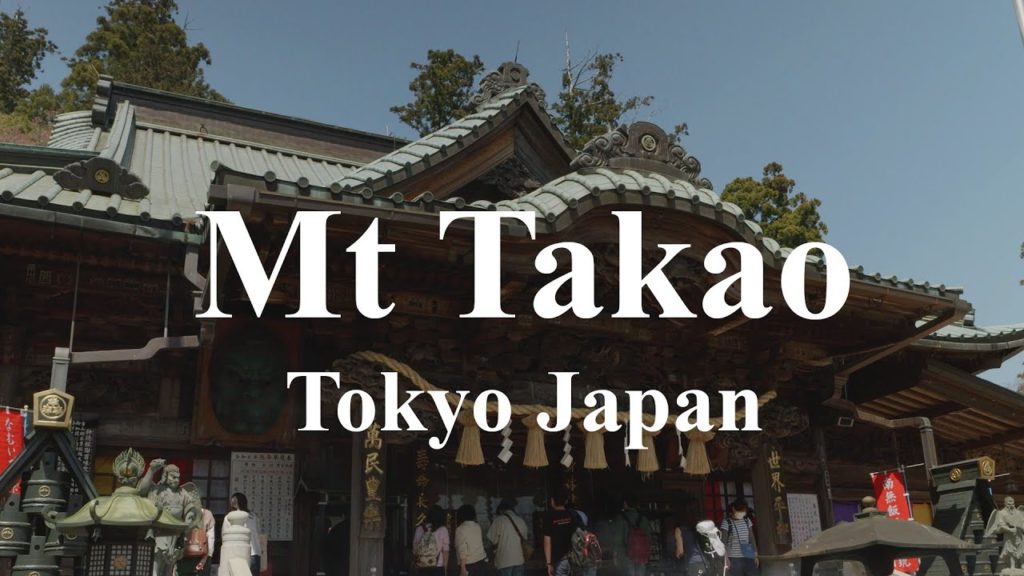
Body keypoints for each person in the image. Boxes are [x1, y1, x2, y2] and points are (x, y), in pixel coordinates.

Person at [139, 459, 200, 576]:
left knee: (170, 565)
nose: (176, 480)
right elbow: (142, 490)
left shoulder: (182, 492)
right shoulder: (158, 490)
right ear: (165, 476)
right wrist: (151, 470)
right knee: (157, 562)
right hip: (159, 531)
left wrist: (188, 517)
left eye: (178, 477)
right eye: (173, 477)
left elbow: (190, 507)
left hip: (175, 532)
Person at [488, 497, 528, 576]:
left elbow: (492, 540)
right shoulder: (520, 520)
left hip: (504, 561)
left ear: (502, 508)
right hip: (519, 560)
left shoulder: (498, 521)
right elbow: (525, 539)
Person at [544, 487, 579, 576]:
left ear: (552, 501)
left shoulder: (549, 516)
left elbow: (547, 541)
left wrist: (548, 563)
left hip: (559, 559)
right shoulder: (571, 515)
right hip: (573, 558)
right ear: (566, 501)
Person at [719, 500, 758, 576]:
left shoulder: (747, 520)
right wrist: (725, 558)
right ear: (734, 509)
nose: (742, 513)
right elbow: (723, 542)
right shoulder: (727, 522)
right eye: (741, 511)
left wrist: (755, 554)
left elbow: (751, 538)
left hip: (748, 555)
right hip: (734, 558)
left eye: (744, 511)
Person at [230, 492, 262, 576]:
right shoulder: (254, 516)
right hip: (255, 551)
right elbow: (258, 531)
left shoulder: (232, 516)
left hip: (240, 552)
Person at [413, 505, 450, 576]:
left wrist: (417, 562)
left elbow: (415, 549)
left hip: (422, 566)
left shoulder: (419, 529)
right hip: (437, 566)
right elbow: (445, 551)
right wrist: (445, 569)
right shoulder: (443, 530)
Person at [619, 496, 651, 576]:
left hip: (627, 553)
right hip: (642, 553)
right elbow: (649, 537)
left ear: (625, 504)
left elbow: (618, 539)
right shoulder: (644, 519)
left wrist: (617, 554)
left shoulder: (621, 518)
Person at [455, 504, 488, 576]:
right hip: (481, 562)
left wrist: (463, 568)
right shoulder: (477, 526)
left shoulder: (460, 529)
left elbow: (462, 550)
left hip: (469, 565)